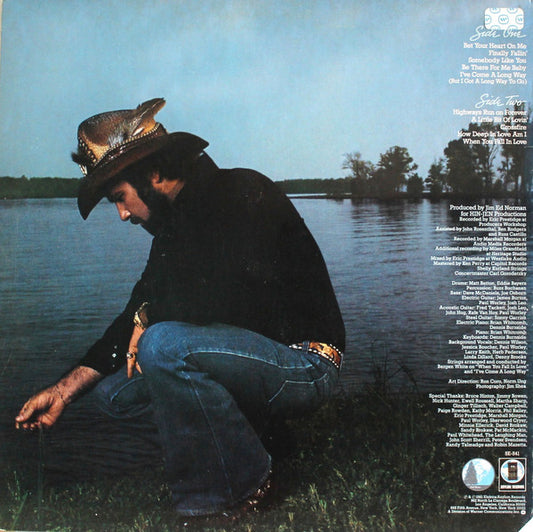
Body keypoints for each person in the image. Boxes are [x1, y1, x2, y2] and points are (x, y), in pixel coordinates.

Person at [15, 98, 345, 518]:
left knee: (162, 345)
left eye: (120, 197)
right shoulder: (173, 228)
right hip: (253, 360)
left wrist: (149, 318)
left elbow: (226, 301)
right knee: (114, 394)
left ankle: (237, 488)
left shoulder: (239, 190)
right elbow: (133, 318)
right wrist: (63, 391)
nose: (121, 215)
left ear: (154, 173)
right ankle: (256, 443)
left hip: (305, 364)